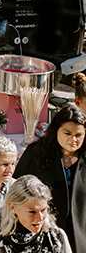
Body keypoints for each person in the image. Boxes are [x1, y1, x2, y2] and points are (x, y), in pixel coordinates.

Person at [13, 104, 86, 249]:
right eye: (67, 133)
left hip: (81, 235)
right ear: (56, 131)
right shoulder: (36, 153)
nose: (73, 140)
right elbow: (16, 188)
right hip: (41, 230)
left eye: (78, 135)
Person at [0, 175, 73, 253]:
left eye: (43, 210)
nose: (40, 218)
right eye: (32, 212)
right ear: (13, 208)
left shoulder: (56, 237)